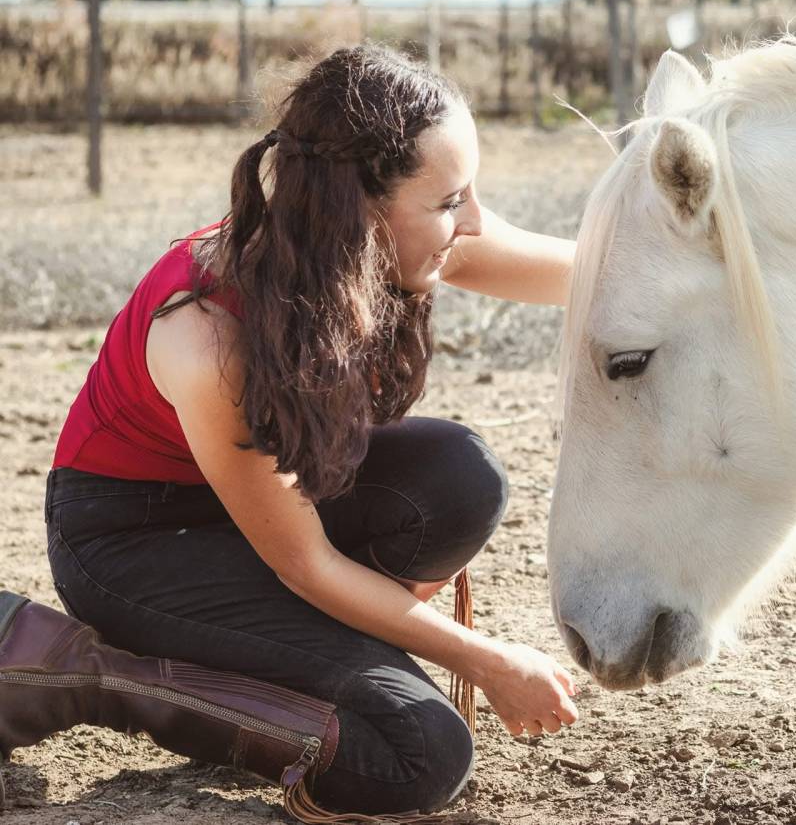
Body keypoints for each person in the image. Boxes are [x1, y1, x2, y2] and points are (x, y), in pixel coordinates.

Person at [0, 45, 580, 822]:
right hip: (133, 546)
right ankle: (76, 668)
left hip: (253, 520)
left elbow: (581, 269)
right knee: (416, 755)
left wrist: (722, 267)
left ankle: (299, 667)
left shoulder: (361, 240)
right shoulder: (208, 340)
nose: (472, 224)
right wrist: (489, 661)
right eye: (450, 202)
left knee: (457, 475)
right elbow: (305, 565)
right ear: (362, 211)